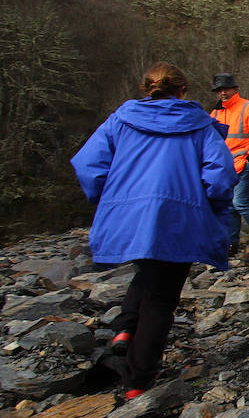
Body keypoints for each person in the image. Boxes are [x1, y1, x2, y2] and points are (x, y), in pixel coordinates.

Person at [70, 62, 237, 399]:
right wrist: (209, 205)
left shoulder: (121, 119)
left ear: (147, 89)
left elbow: (88, 164)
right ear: (183, 90)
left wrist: (111, 198)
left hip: (129, 211)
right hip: (181, 215)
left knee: (146, 267)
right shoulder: (200, 125)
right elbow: (220, 177)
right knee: (161, 298)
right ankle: (137, 381)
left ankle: (125, 328)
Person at [209, 72, 249, 255]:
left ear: (235, 89)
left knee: (240, 202)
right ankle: (232, 243)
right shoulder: (215, 113)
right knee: (230, 205)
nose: (222, 93)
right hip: (228, 166)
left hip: (248, 162)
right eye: (219, 90)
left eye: (226, 89)